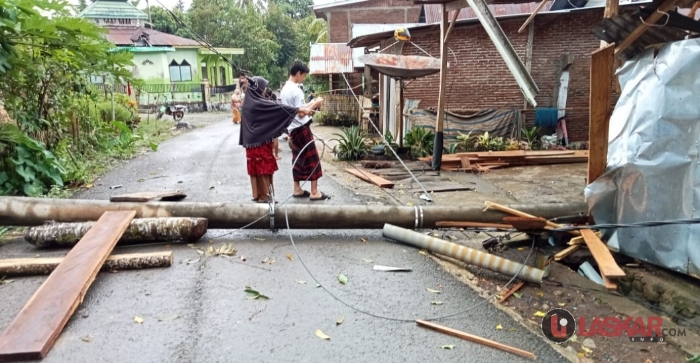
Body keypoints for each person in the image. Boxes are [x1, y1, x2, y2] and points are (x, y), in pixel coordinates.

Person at [239, 76, 313, 203]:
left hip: (255, 142)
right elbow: (279, 109)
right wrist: (301, 109)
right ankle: (264, 196)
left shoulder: (250, 101)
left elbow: (274, 109)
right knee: (262, 168)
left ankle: (260, 194)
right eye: (263, 88)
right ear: (257, 89)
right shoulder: (257, 103)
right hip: (258, 143)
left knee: (259, 169)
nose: (264, 91)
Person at [280, 61, 329, 201]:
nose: (304, 79)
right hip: (301, 128)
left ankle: (297, 189)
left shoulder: (285, 89)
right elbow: (301, 114)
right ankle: (314, 191)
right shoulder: (296, 90)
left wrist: (312, 102)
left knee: (298, 159)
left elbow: (298, 108)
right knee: (313, 159)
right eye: (304, 76)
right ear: (298, 73)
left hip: (292, 129)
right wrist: (316, 103)